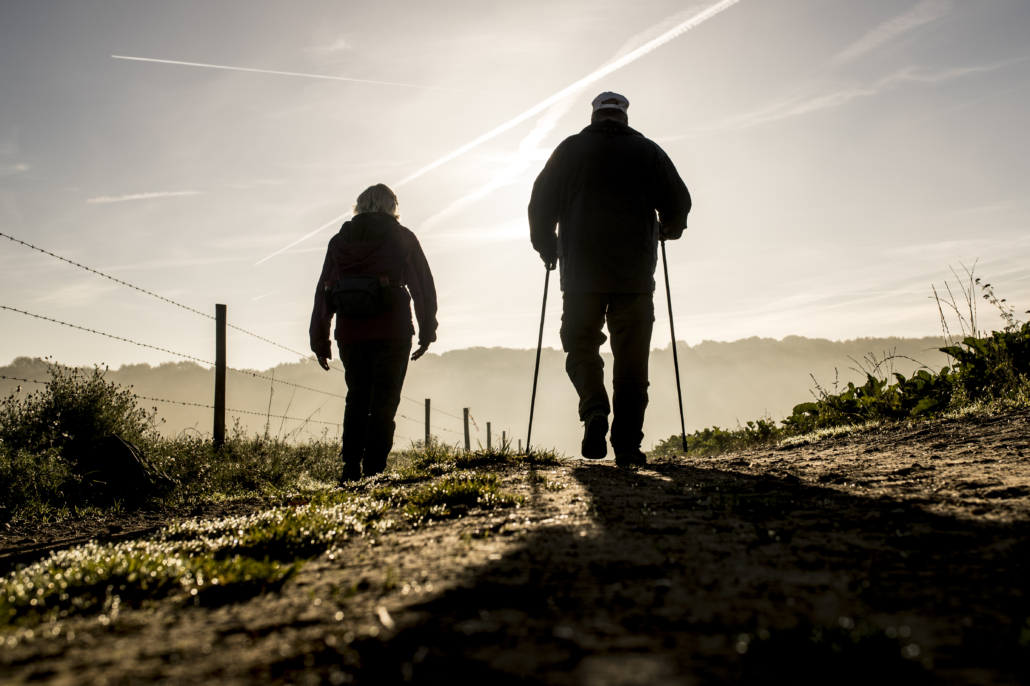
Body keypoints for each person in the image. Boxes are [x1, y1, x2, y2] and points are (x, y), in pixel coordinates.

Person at [528, 92, 691, 467]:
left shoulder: (568, 150)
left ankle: (594, 409)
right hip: (633, 275)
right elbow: (679, 205)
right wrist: (669, 229)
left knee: (580, 344)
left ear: (595, 115)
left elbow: (540, 205)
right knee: (632, 361)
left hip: (580, 274)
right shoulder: (649, 151)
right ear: (624, 117)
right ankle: (628, 447)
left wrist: (548, 248)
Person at [310, 184, 438, 481]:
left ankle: (350, 467)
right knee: (384, 401)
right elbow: (422, 287)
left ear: (360, 206)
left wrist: (320, 338)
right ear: (392, 206)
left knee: (357, 397)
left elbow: (324, 290)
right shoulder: (402, 238)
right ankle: (374, 471)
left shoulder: (339, 240)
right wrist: (427, 330)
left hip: (351, 332)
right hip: (392, 330)